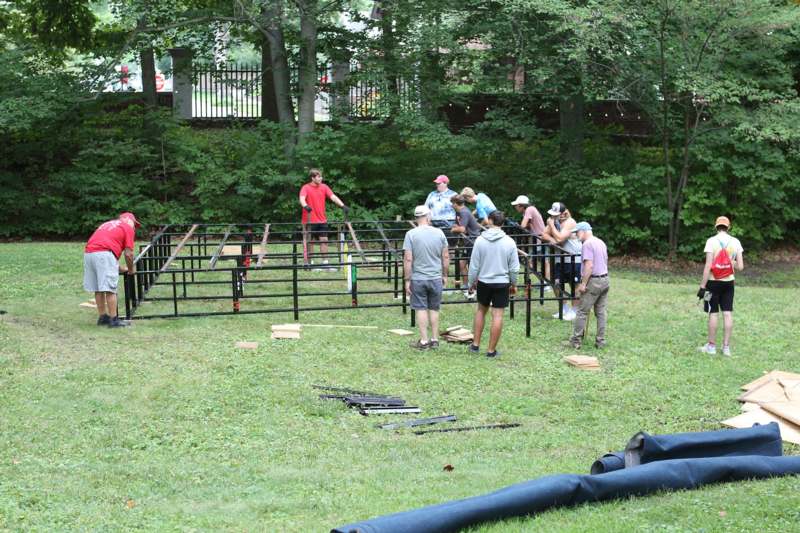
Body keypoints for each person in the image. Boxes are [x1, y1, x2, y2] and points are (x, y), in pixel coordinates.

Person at [467, 210, 520, 357]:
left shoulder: (480, 240)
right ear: (502, 223)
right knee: (497, 316)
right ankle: (491, 351)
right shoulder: (510, 242)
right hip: (502, 282)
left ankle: (475, 345)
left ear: (489, 221)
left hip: (483, 281)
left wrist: (471, 282)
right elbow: (514, 268)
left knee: (480, 311)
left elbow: (474, 265)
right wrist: (514, 283)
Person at [403, 205, 450, 350]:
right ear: (428, 216)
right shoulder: (440, 233)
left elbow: (408, 259)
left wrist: (407, 280)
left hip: (418, 278)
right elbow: (446, 256)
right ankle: (435, 339)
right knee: (434, 309)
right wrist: (445, 274)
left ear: (416, 218)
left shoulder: (410, 234)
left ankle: (424, 341)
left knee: (421, 309)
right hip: (436, 277)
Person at [697, 216, 744, 356]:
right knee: (727, 313)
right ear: (728, 227)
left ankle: (711, 347)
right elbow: (740, 267)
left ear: (716, 226)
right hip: (729, 283)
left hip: (712, 283)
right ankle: (726, 348)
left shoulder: (711, 241)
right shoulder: (736, 242)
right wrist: (731, 262)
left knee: (713, 313)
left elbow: (708, 265)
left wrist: (702, 286)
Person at [83, 212, 140, 327]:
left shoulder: (108, 224)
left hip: (89, 254)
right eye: (134, 224)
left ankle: (103, 317)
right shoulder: (127, 228)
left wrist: (118, 268)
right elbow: (128, 254)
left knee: (98, 288)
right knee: (110, 289)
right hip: (104, 254)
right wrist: (130, 270)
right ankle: (114, 320)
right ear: (129, 221)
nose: (134, 227)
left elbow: (107, 247)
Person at [568, 222, 609, 349]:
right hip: (605, 279)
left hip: (593, 281)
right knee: (601, 312)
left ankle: (576, 341)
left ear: (584, 231)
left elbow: (589, 265)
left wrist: (583, 284)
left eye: (577, 232)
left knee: (582, 311)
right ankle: (600, 341)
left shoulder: (587, 244)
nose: (576, 235)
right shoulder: (600, 242)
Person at [299, 169, 348, 271]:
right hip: (309, 220)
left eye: (321, 176)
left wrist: (342, 205)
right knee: (310, 242)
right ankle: (310, 263)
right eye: (318, 177)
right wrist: (305, 206)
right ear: (313, 178)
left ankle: (325, 263)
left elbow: (333, 197)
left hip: (322, 220)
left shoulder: (324, 187)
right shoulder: (306, 187)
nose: (321, 178)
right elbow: (302, 199)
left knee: (324, 241)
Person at [542, 202, 577, 318]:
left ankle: (575, 311)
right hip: (559, 259)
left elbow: (561, 238)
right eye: (553, 214)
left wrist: (552, 227)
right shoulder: (554, 220)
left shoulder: (570, 222)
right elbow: (544, 235)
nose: (554, 217)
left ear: (564, 213)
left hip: (573, 259)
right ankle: (564, 309)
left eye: (556, 214)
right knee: (555, 283)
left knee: (574, 285)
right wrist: (554, 241)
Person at [450, 194, 482, 299]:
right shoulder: (459, 212)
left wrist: (454, 229)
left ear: (455, 203)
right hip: (466, 242)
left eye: (452, 203)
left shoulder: (464, 212)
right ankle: (466, 286)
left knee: (473, 266)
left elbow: (462, 229)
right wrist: (456, 227)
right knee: (462, 264)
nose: (451, 205)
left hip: (472, 242)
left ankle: (475, 288)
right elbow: (458, 226)